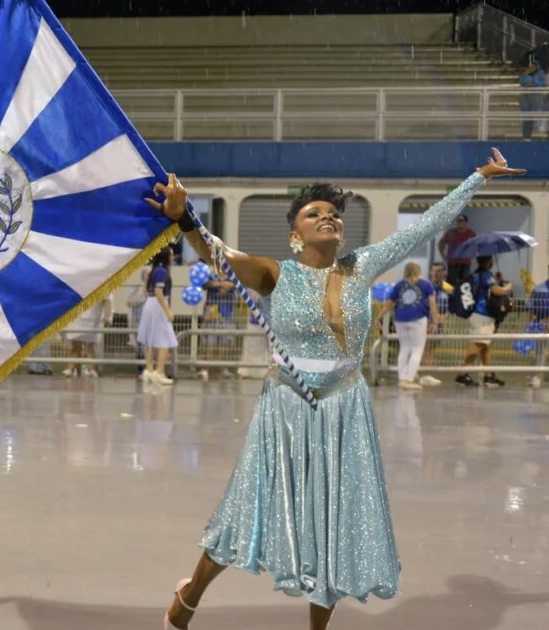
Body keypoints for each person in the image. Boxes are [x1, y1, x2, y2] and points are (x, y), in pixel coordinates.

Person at [146, 149, 523, 630]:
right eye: (313, 213)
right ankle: (191, 594)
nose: (327, 218)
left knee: (334, 522)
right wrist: (184, 220)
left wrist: (477, 178)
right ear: (294, 233)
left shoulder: (361, 266)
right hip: (286, 407)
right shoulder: (274, 274)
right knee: (249, 505)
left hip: (346, 407)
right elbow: (218, 252)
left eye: (333, 214)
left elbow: (426, 226)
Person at [375, 262, 440, 389]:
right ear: (419, 270)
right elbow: (433, 304)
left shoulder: (399, 285)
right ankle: (409, 380)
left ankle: (402, 379)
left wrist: (378, 317)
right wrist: (435, 321)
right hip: (418, 319)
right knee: (417, 349)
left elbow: (389, 304)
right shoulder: (426, 284)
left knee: (404, 349)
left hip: (400, 319)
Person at [456, 255, 513, 387]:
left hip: (478, 314)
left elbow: (486, 289)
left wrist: (498, 280)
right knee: (477, 345)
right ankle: (462, 375)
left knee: (485, 347)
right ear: (489, 262)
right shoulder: (485, 275)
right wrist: (507, 287)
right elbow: (496, 291)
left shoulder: (476, 274)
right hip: (482, 314)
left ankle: (488, 376)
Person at [137, 249, 177, 385]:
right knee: (166, 338)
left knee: (151, 338)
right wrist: (168, 311)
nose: (172, 257)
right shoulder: (162, 272)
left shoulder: (153, 271)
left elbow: (146, 290)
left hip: (151, 304)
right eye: (171, 255)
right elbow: (159, 292)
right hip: (158, 305)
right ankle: (159, 371)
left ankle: (149, 370)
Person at [198, 267, 236, 381]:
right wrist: (222, 284)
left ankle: (222, 369)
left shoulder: (232, 275)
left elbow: (234, 285)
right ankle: (206, 369)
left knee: (225, 343)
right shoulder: (210, 274)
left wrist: (219, 285)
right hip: (211, 314)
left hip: (227, 313)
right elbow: (206, 284)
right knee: (209, 342)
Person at [62, 293, 112, 378]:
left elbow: (107, 299)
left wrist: (107, 315)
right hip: (77, 317)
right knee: (75, 347)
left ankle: (91, 370)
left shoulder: (103, 283)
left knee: (90, 348)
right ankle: (70, 369)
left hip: (94, 319)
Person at [437, 215, 476, 286]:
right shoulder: (450, 233)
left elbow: (476, 245)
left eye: (462, 221)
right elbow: (441, 243)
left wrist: (472, 255)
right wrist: (443, 255)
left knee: (464, 283)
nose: (460, 223)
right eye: (459, 221)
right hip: (452, 263)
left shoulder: (471, 233)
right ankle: (452, 296)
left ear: (466, 222)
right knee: (452, 283)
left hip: (465, 263)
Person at [518, 61, 546, 140]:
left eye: (533, 66)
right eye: (531, 66)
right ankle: (526, 136)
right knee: (526, 119)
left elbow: (542, 84)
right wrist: (526, 74)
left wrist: (532, 83)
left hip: (536, 99)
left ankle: (537, 136)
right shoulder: (526, 73)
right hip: (526, 99)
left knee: (535, 118)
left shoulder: (540, 73)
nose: (532, 68)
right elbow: (522, 82)